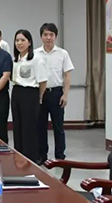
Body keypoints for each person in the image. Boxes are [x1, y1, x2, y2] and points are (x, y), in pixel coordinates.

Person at [35, 23, 74, 164]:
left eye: (51, 35)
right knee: (40, 126)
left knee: (58, 126)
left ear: (55, 36)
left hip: (56, 93)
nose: (48, 37)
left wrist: (65, 94)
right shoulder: (35, 54)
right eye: (45, 34)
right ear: (41, 36)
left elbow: (67, 75)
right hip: (40, 94)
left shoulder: (63, 54)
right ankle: (42, 155)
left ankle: (59, 156)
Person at [11, 29, 48, 163]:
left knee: (29, 127)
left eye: (23, 40)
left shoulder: (36, 59)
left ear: (29, 42)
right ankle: (19, 155)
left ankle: (30, 158)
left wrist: (40, 97)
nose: (19, 43)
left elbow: (43, 81)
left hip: (30, 93)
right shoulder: (16, 60)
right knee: (17, 125)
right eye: (17, 40)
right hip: (17, 92)